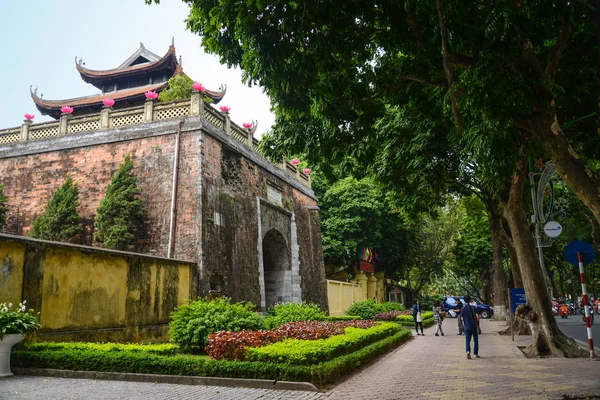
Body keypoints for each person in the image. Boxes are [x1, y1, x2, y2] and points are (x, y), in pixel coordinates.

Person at [460, 295, 480, 359]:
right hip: (473, 326)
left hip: (467, 327)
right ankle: (475, 353)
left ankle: (468, 351)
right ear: (470, 300)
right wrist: (478, 324)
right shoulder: (473, 307)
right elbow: (477, 316)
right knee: (475, 340)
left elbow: (462, 318)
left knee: (467, 340)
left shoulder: (463, 309)